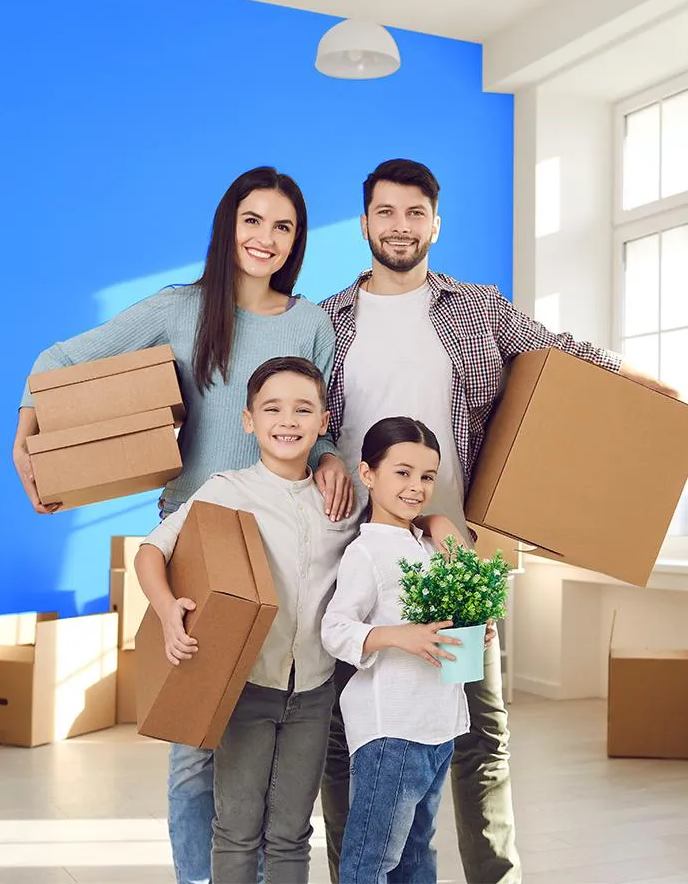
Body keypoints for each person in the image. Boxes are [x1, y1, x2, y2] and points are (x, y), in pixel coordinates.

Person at [318, 158, 679, 884]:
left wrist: (657, 390)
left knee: (476, 734)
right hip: (354, 553)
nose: (399, 226)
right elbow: (301, 418)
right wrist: (327, 453)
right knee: (347, 735)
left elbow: (563, 354)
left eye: (414, 213)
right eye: (385, 212)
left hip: (453, 564)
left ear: (434, 224)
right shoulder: (326, 321)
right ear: (364, 223)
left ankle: (496, 877)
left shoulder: (476, 307)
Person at [12, 166, 353, 884]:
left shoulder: (311, 321)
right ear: (228, 225)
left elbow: (316, 423)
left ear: (296, 241)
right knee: (195, 747)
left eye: (283, 226)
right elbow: (61, 359)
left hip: (284, 542)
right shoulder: (178, 310)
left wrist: (327, 460)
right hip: (197, 540)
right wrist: (26, 436)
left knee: (272, 746)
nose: (266, 238)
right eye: (252, 220)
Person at [136, 356, 358, 884]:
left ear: (324, 423)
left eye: (303, 410)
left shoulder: (345, 502)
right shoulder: (227, 490)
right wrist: (169, 612)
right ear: (248, 420)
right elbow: (152, 551)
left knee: (291, 833)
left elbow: (400, 538)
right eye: (272, 409)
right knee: (236, 828)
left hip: (315, 689)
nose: (288, 420)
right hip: (247, 686)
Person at [321, 416, 471, 884]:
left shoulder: (427, 544)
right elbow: (334, 627)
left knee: (417, 854)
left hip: (438, 724)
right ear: (367, 474)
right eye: (402, 472)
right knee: (372, 861)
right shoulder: (365, 552)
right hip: (392, 730)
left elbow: (452, 614)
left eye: (427, 476)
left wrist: (472, 632)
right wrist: (396, 635)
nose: (416, 487)